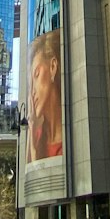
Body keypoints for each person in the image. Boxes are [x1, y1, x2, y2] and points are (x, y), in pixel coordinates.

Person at [27, 29, 63, 162]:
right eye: (30, 84)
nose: (32, 91)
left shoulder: (74, 134)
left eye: (36, 75)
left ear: (53, 67)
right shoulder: (36, 134)